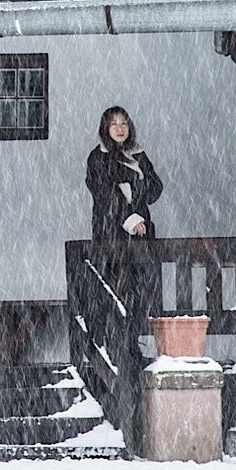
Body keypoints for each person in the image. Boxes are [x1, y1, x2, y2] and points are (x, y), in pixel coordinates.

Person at [86, 107, 163, 325]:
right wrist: (130, 216)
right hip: (111, 233)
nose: (120, 129)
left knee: (142, 291)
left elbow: (155, 187)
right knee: (118, 291)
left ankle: (134, 348)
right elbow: (105, 194)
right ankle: (121, 351)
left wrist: (132, 191)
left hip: (141, 236)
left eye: (124, 123)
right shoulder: (98, 158)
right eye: (114, 124)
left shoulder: (138, 153)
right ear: (105, 128)